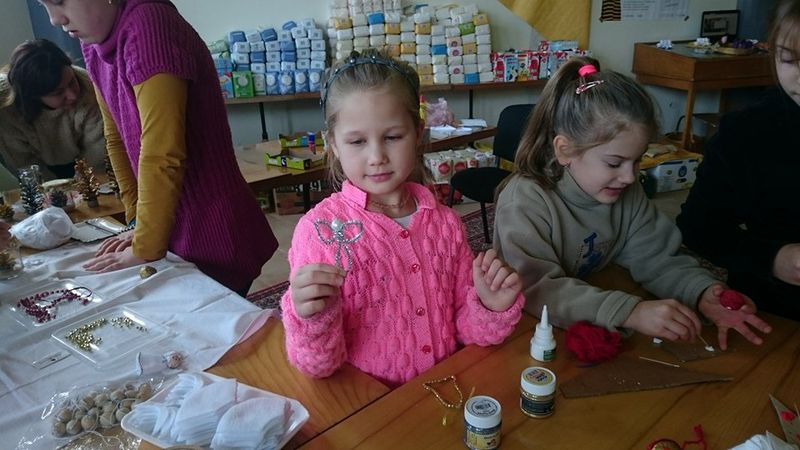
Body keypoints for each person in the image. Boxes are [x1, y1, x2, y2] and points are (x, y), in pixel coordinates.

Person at [281, 49, 524, 387]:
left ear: (418, 133)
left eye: (393, 137)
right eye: (357, 141)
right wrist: (309, 317)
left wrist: (489, 306)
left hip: (445, 390)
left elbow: (465, 330)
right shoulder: (318, 233)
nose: (377, 156)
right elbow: (318, 366)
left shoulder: (445, 225)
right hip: (372, 403)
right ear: (333, 144)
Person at [494, 56, 771, 350]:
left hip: (590, 313)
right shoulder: (524, 201)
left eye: (637, 160)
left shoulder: (623, 190)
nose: (629, 177)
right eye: (614, 163)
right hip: (528, 332)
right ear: (565, 151)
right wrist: (630, 311)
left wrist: (701, 292)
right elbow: (536, 290)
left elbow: (656, 257)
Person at [38, 0, 278, 296]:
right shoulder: (94, 44)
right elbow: (115, 136)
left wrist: (145, 245)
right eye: (44, 5)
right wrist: (137, 221)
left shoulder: (150, 25)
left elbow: (162, 152)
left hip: (212, 229)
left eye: (59, 1)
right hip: (172, 224)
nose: (54, 19)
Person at [677, 0, 800, 321]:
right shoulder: (746, 131)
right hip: (773, 306)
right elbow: (698, 226)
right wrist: (774, 258)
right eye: (790, 59)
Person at [0, 38, 105, 180]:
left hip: (86, 166)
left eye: (72, 82)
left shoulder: (88, 87)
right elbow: (24, 165)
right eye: (58, 92)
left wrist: (83, 183)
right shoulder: (7, 109)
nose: (73, 95)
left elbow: (97, 152)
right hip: (41, 171)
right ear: (33, 95)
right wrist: (56, 188)